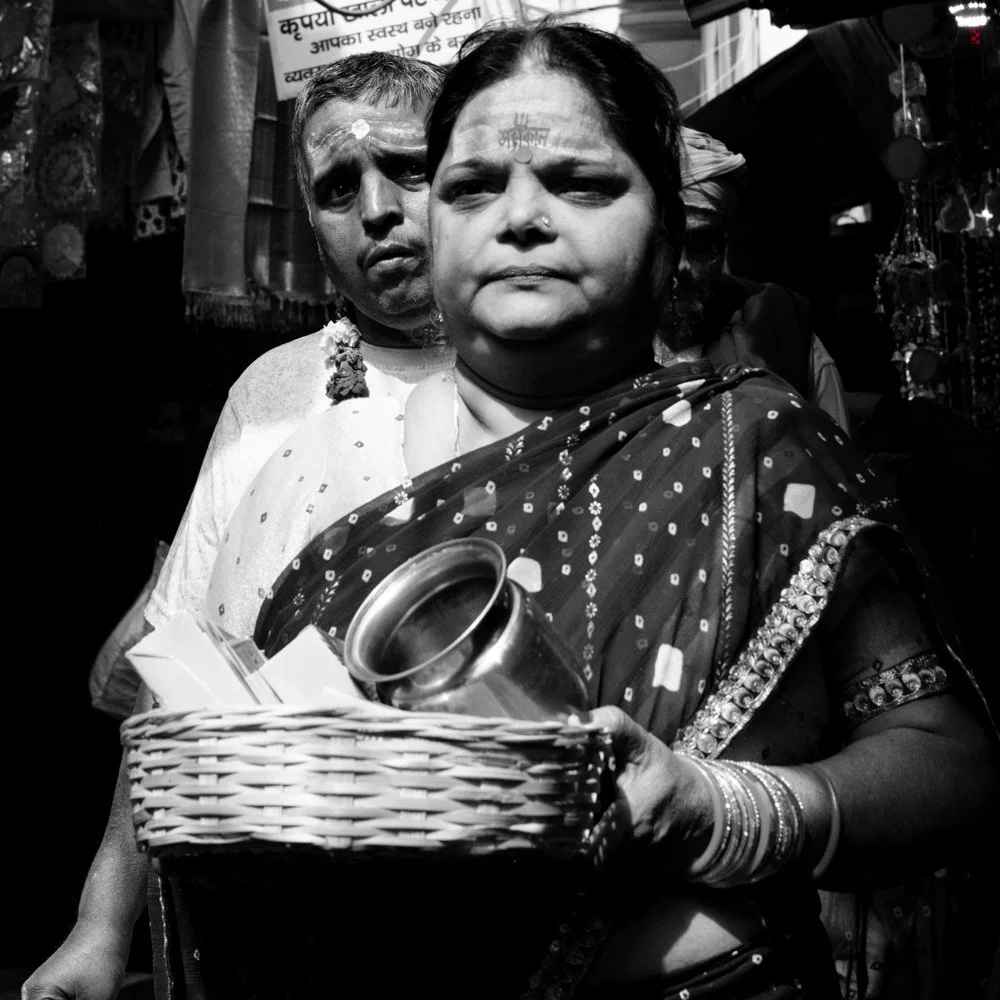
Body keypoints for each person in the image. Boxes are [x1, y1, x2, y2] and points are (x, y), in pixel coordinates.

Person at [248, 19, 997, 1000]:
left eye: (581, 181)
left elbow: (950, 766)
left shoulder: (754, 450)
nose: (520, 218)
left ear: (668, 229)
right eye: (474, 185)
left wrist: (725, 809)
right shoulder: (314, 458)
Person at [23, 51, 454, 1000]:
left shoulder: (542, 379)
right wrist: (101, 924)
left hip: (481, 912)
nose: (376, 208)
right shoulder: (271, 393)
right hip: (266, 923)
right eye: (339, 186)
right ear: (309, 220)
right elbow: (175, 670)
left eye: (407, 169)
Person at [671, 126, 851, 433]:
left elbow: (834, 471)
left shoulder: (783, 335)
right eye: (666, 243)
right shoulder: (592, 347)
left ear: (723, 245)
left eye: (700, 243)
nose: (681, 265)